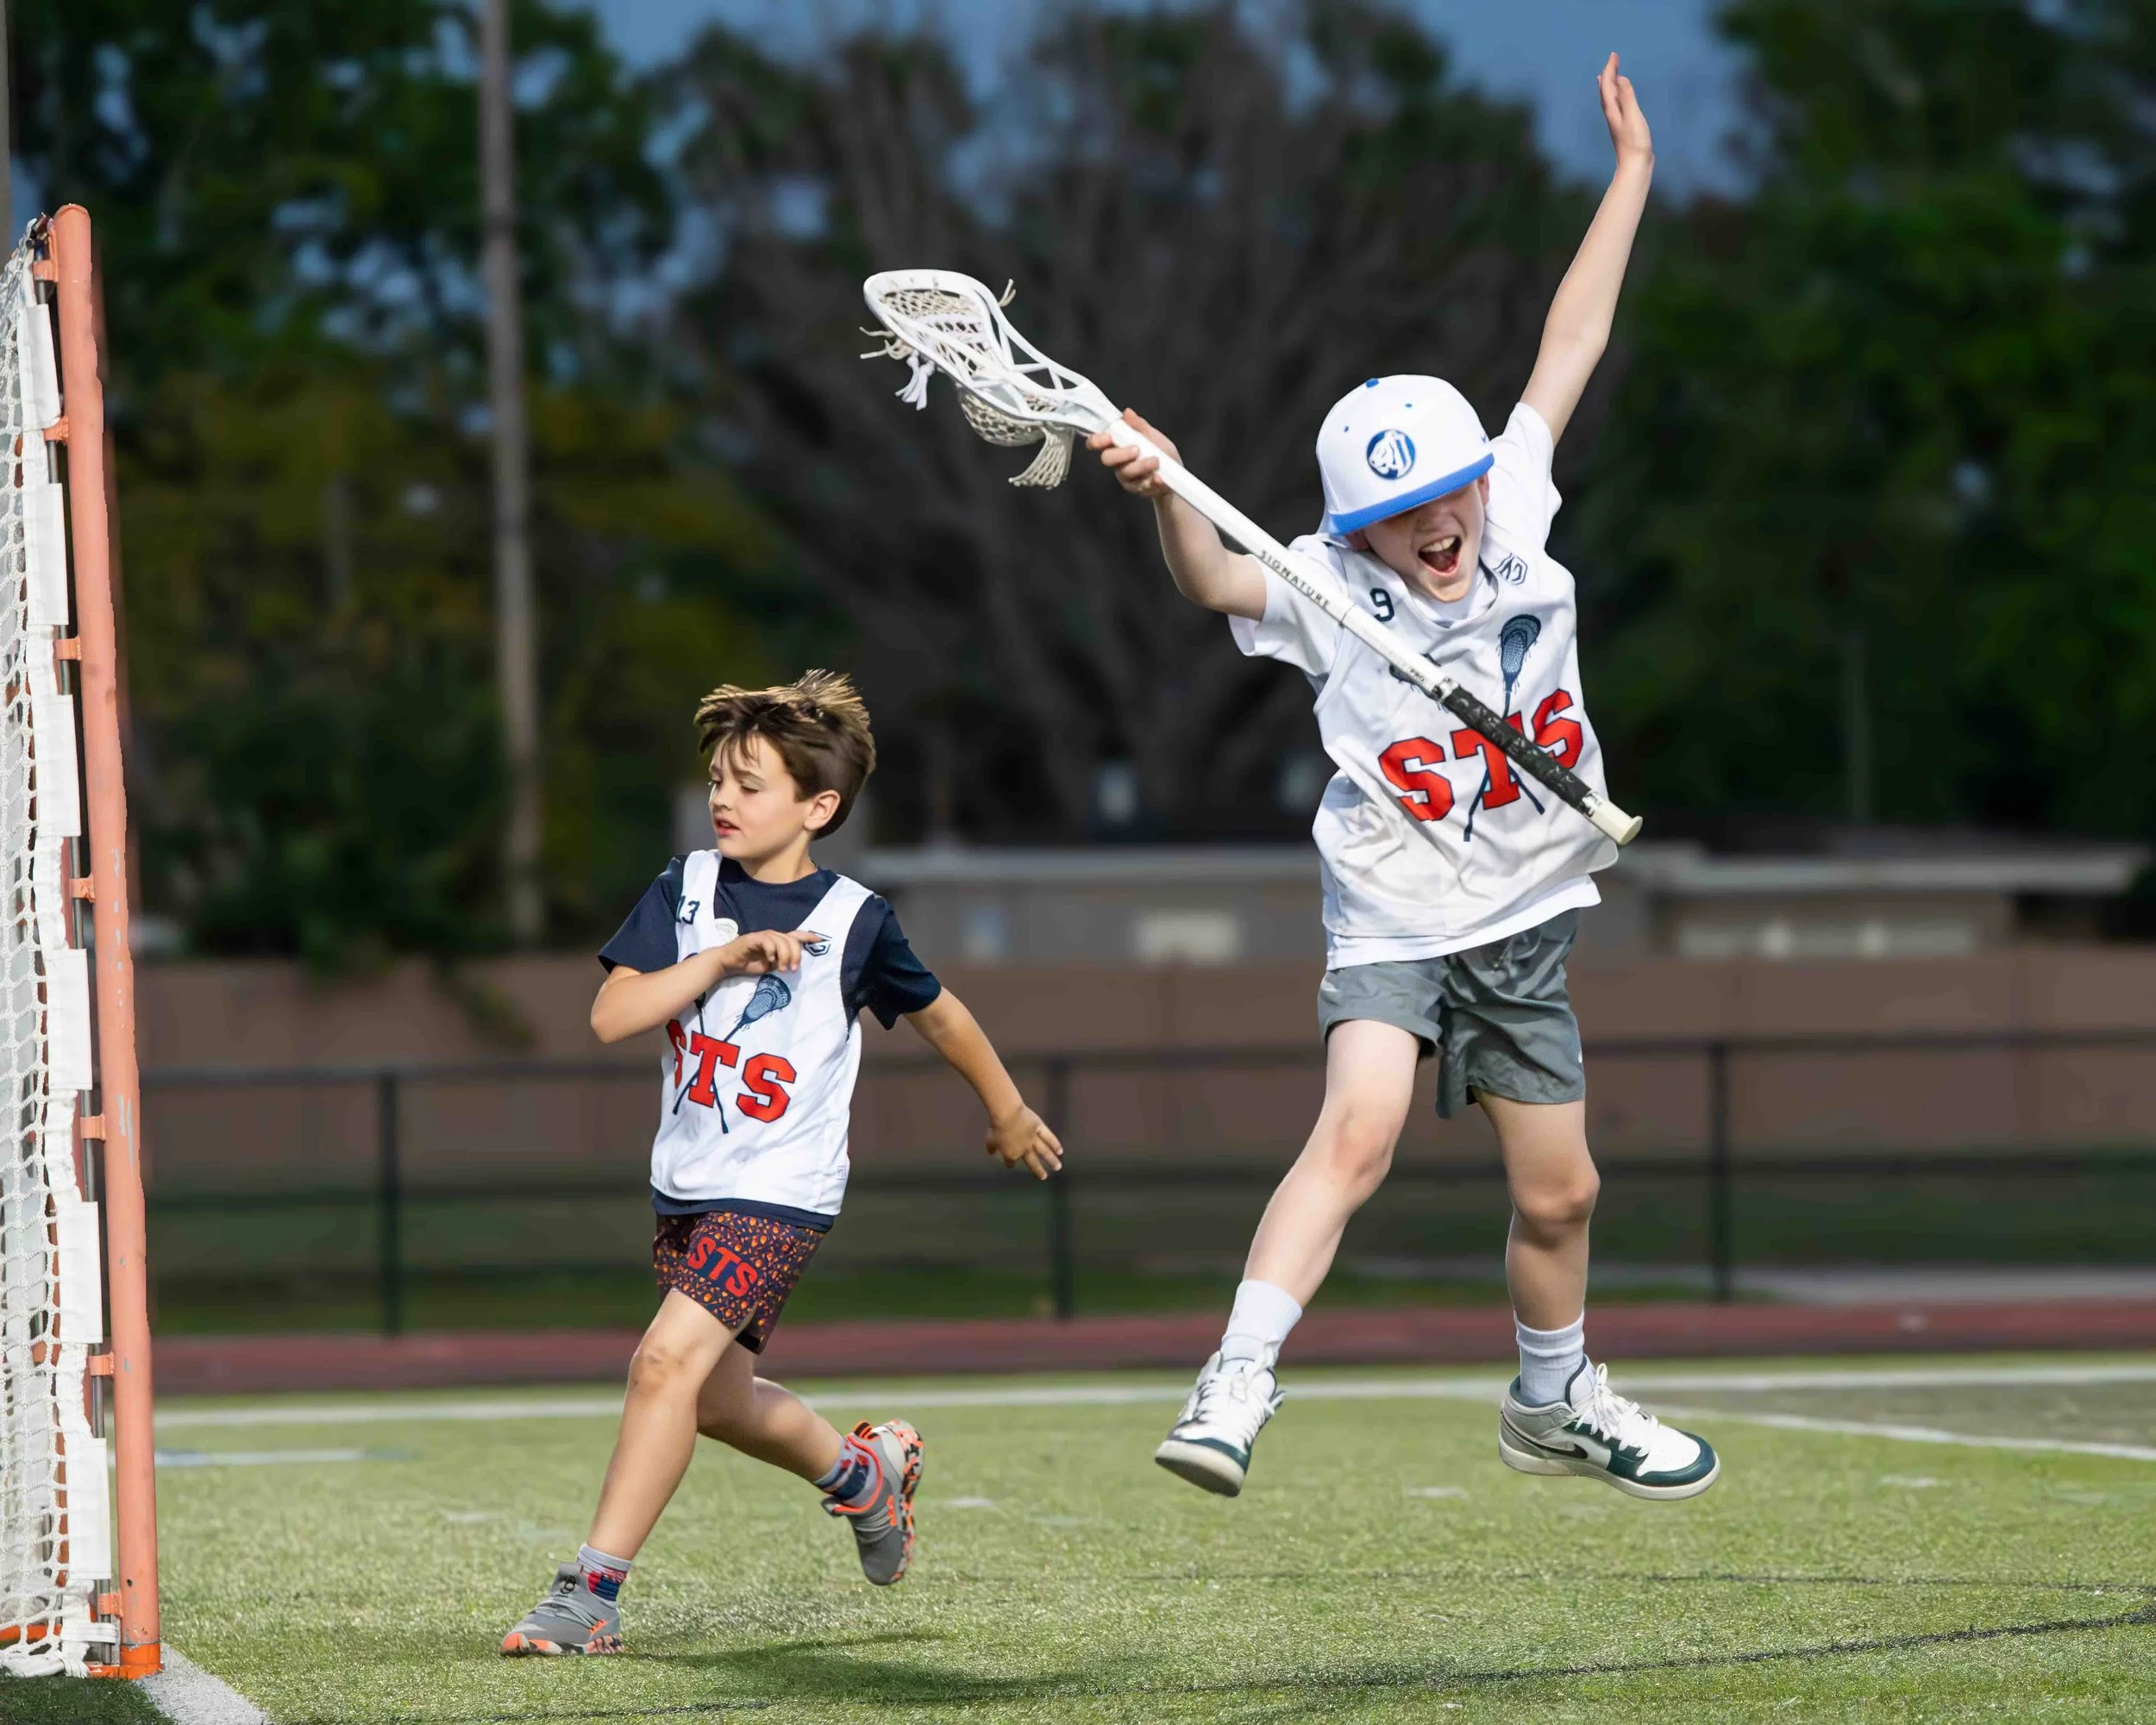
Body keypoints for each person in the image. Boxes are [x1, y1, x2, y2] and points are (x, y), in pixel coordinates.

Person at [1089, 55, 1716, 1503]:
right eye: (1394, 515)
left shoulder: (1521, 514)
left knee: (1563, 1194)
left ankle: (1554, 1398)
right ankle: (1237, 1376)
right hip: (1388, 913)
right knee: (1358, 1132)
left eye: (1447, 495)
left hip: (1524, 912)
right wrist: (1164, 497)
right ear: (1353, 530)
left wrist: (1630, 179)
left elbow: (1570, 344)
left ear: (1481, 483)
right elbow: (1211, 577)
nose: (1433, 528)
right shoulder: (1319, 588)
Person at [501, 670, 1063, 1655]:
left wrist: (1008, 1107)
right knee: (713, 1400)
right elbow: (611, 1015)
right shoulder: (683, 890)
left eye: (749, 782)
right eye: (719, 776)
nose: (724, 796)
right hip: (687, 1184)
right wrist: (720, 958)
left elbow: (941, 1013)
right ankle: (864, 1478)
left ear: (819, 806)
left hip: (780, 1194)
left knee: (662, 1362)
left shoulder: (856, 918)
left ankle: (587, 1594)